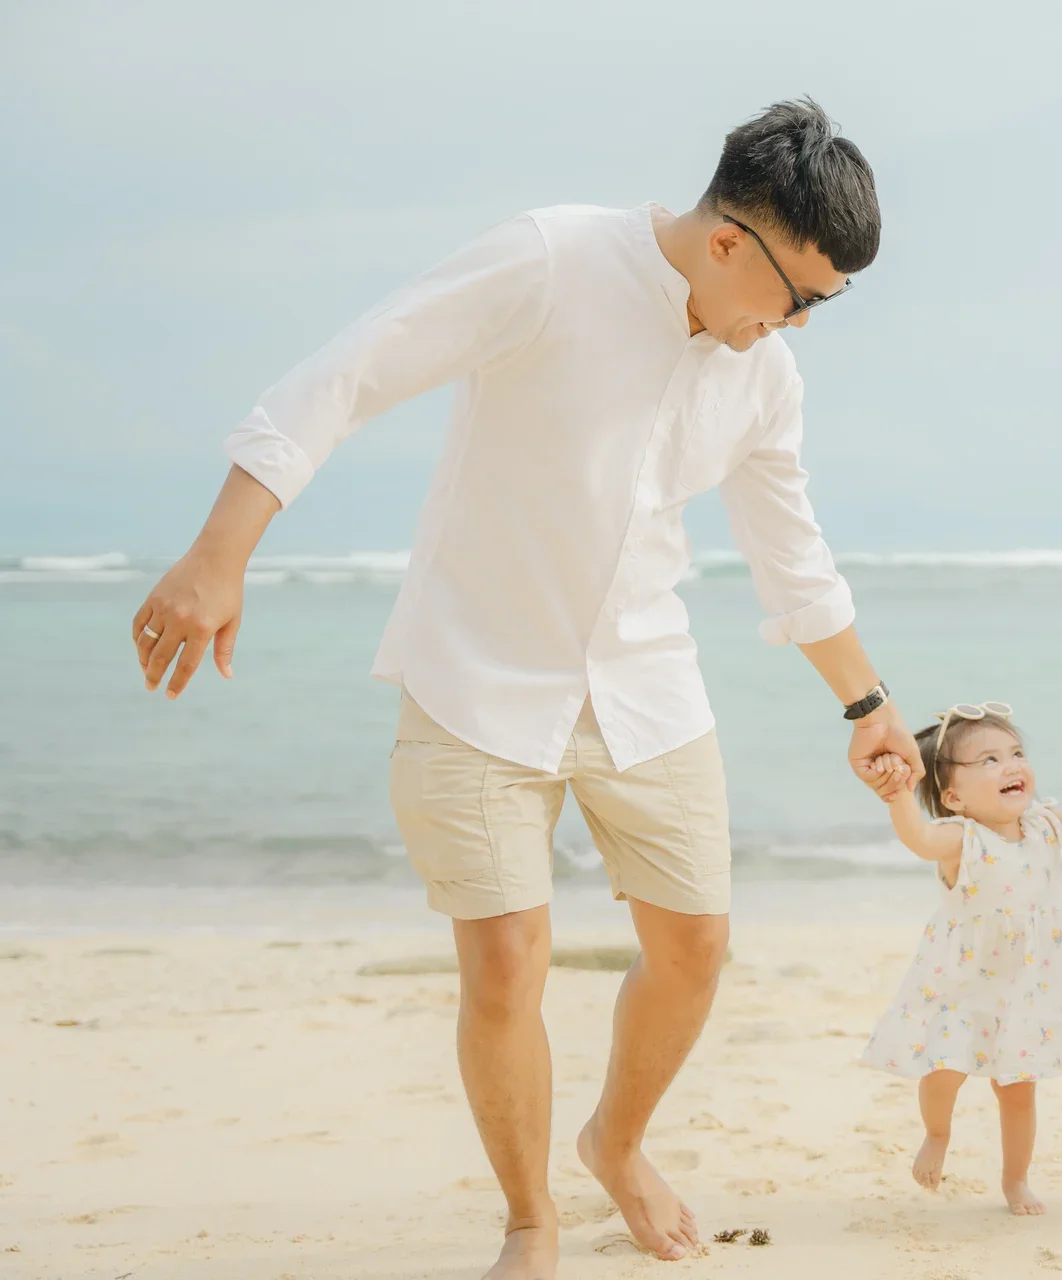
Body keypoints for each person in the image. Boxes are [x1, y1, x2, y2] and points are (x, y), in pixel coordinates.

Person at [130, 100, 923, 1277]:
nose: (797, 324)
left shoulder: (764, 376)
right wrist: (219, 550)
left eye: (821, 308)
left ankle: (616, 1138)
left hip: (646, 681)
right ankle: (529, 1219)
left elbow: (790, 552)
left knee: (696, 947)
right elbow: (352, 369)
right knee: (506, 958)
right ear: (725, 243)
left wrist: (867, 706)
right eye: (798, 296)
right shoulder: (552, 258)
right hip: (477, 673)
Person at [859, 703, 1062, 1216]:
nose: (1011, 765)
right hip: (963, 986)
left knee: (1018, 1091)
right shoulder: (962, 838)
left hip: (1026, 990)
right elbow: (920, 838)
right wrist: (901, 794)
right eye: (990, 761)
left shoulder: (1043, 827)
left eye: (1016, 753)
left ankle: (1015, 1180)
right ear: (953, 797)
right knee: (945, 1068)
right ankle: (936, 1133)